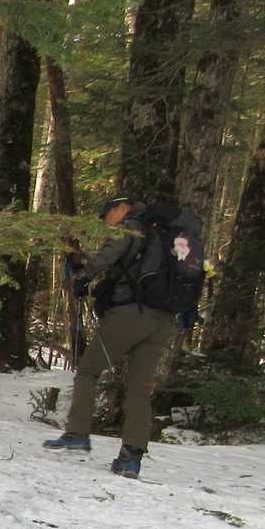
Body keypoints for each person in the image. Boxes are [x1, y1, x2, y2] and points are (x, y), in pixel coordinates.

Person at [43, 196, 176, 479]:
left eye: (106, 215)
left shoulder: (130, 228)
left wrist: (82, 275)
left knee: (88, 370)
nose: (105, 222)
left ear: (121, 208)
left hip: (130, 313)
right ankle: (130, 460)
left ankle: (77, 433)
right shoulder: (164, 234)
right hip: (163, 319)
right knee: (139, 389)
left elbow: (105, 258)